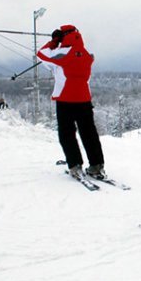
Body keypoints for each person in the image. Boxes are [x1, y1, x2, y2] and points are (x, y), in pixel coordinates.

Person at [36, 24, 106, 180]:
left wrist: (54, 41)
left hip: (65, 99)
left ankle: (75, 165)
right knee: (89, 133)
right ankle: (97, 165)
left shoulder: (61, 53)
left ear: (63, 35)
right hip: (84, 100)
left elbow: (41, 54)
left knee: (67, 134)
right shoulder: (86, 54)